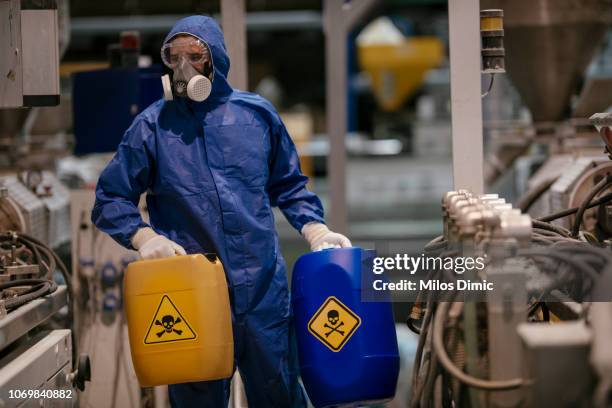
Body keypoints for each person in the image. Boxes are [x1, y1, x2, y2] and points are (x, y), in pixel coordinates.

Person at [91, 15, 351, 407]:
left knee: (277, 392)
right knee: (198, 399)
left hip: (261, 290)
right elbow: (110, 198)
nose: (182, 67)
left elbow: (289, 185)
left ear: (216, 61)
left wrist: (316, 229)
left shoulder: (256, 116)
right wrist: (144, 237)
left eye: (194, 56)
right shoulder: (152, 128)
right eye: (173, 56)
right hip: (192, 294)